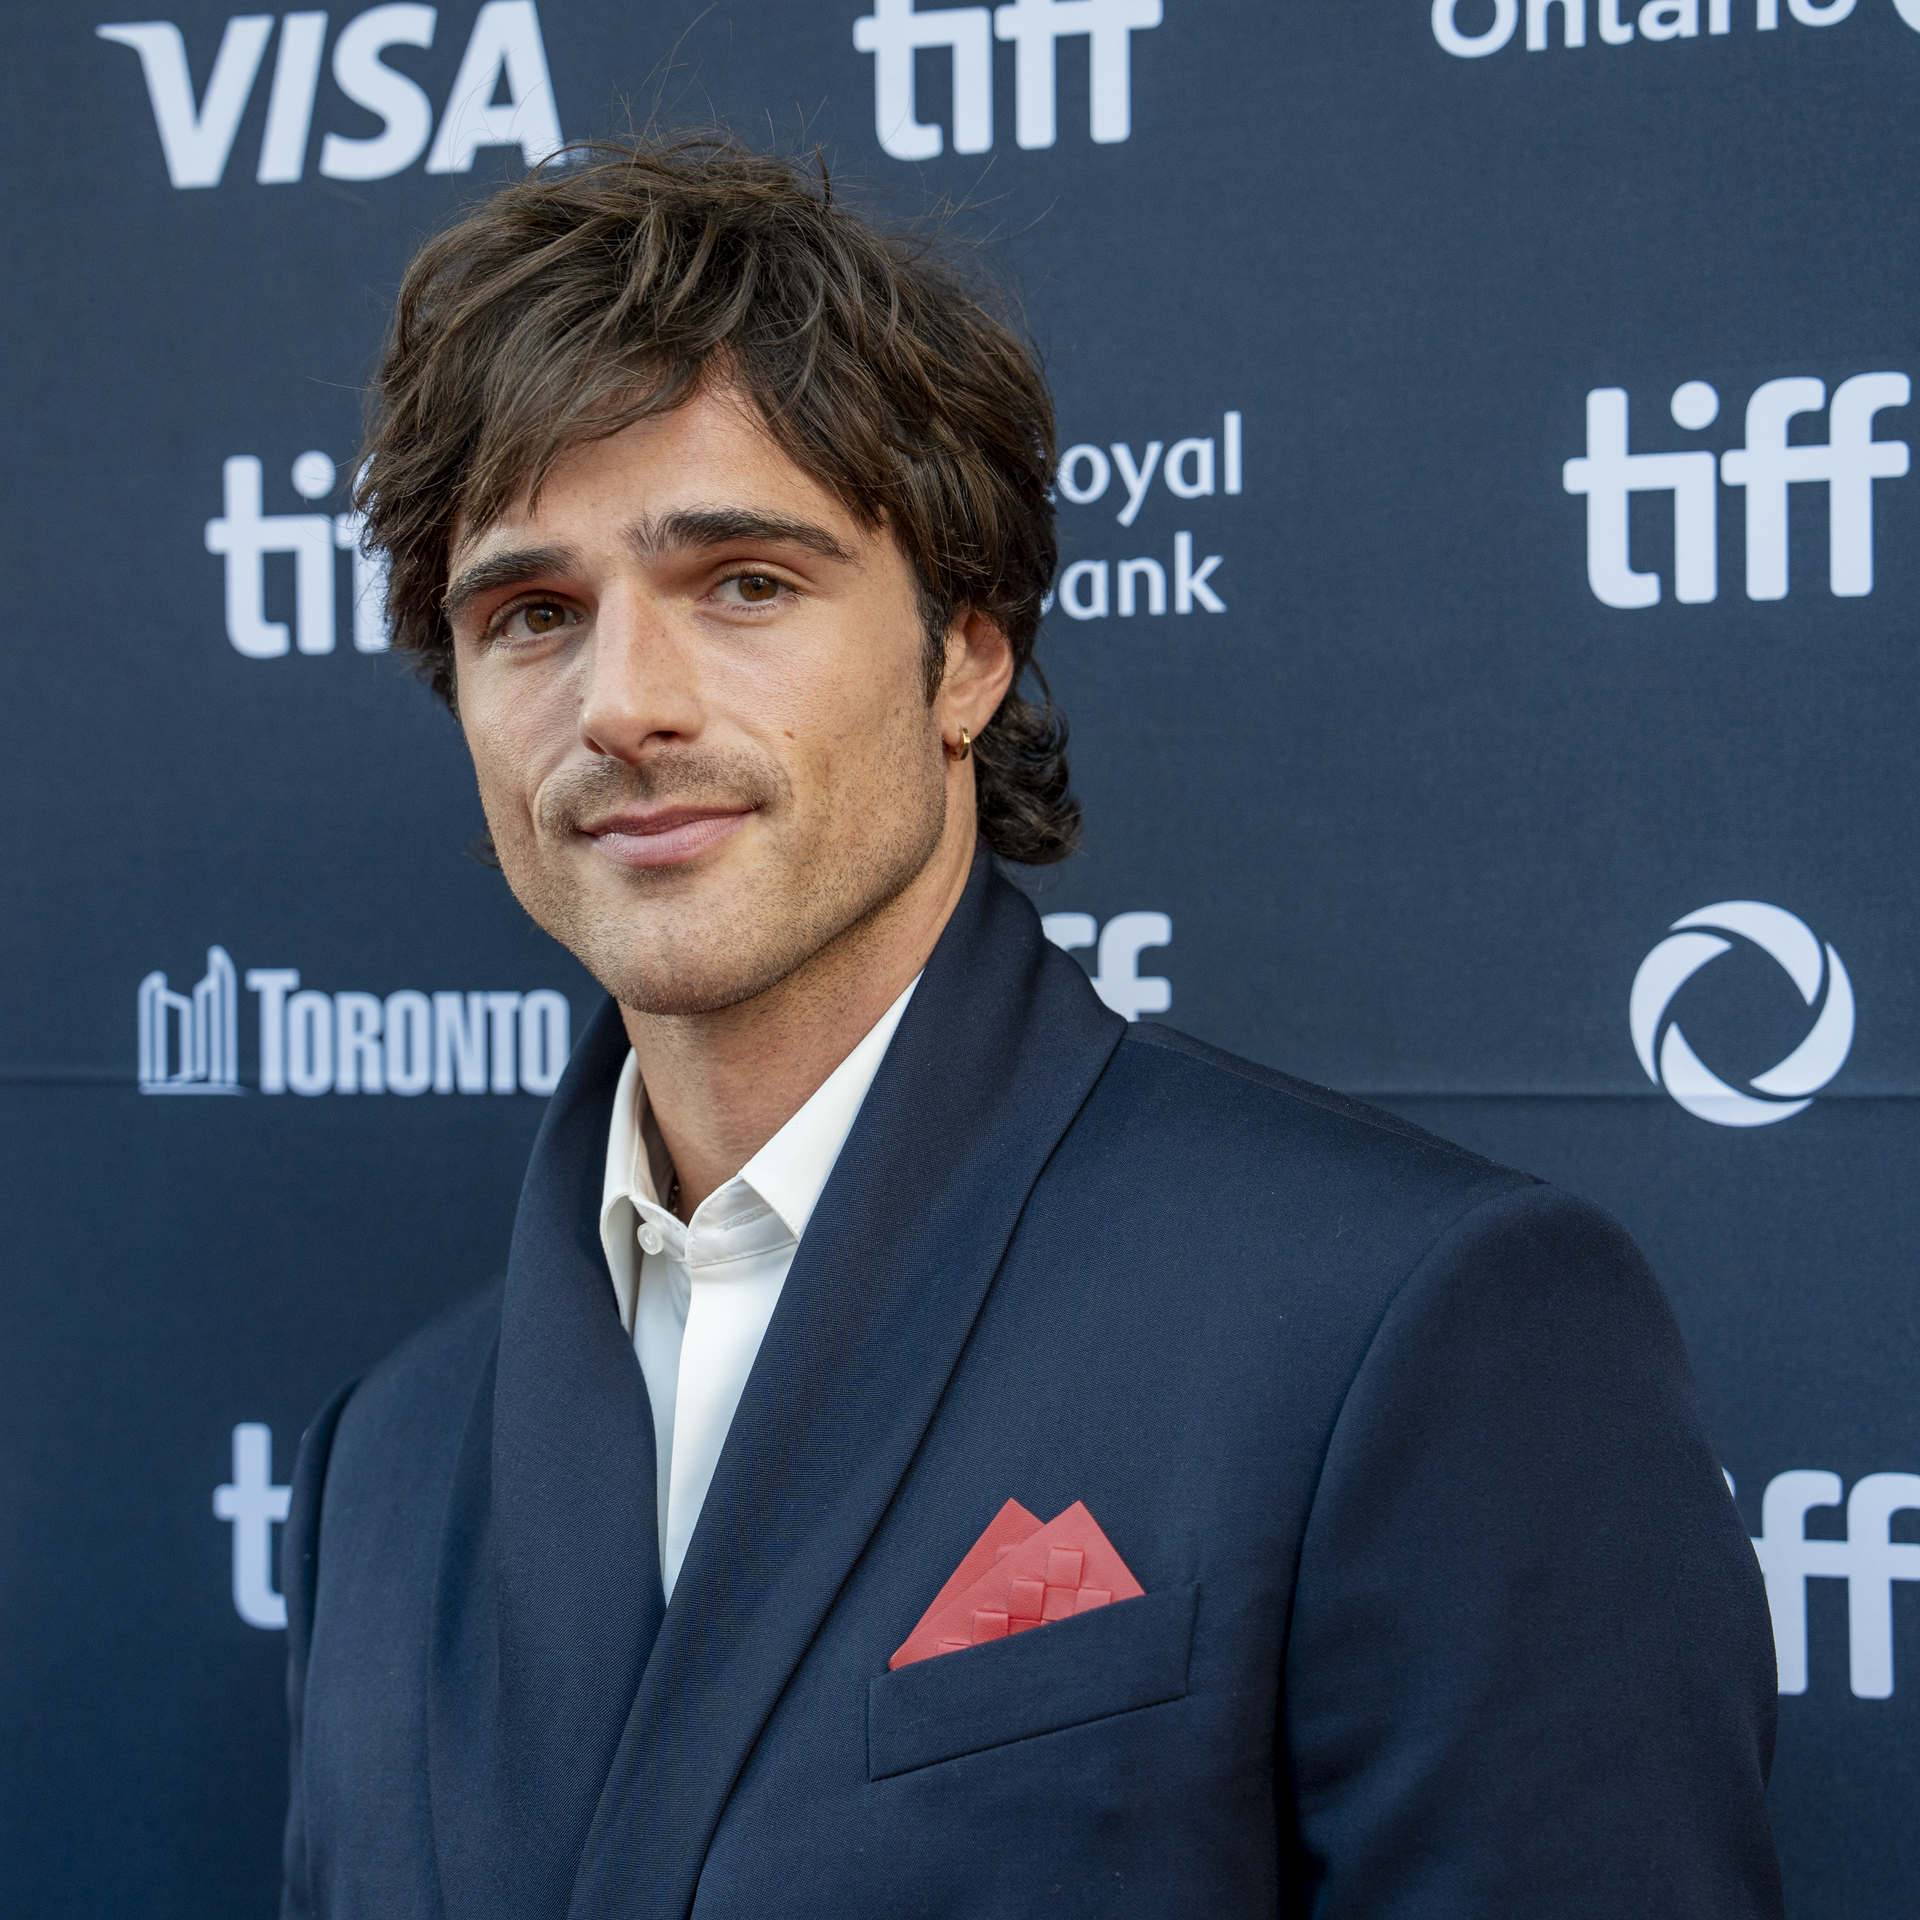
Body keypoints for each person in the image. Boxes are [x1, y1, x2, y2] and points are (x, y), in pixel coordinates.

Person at [281, 136, 1782, 1920]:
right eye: (533, 615)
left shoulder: (1416, 1325)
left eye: (745, 583)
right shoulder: (386, 1459)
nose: (624, 705)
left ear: (969, 649)